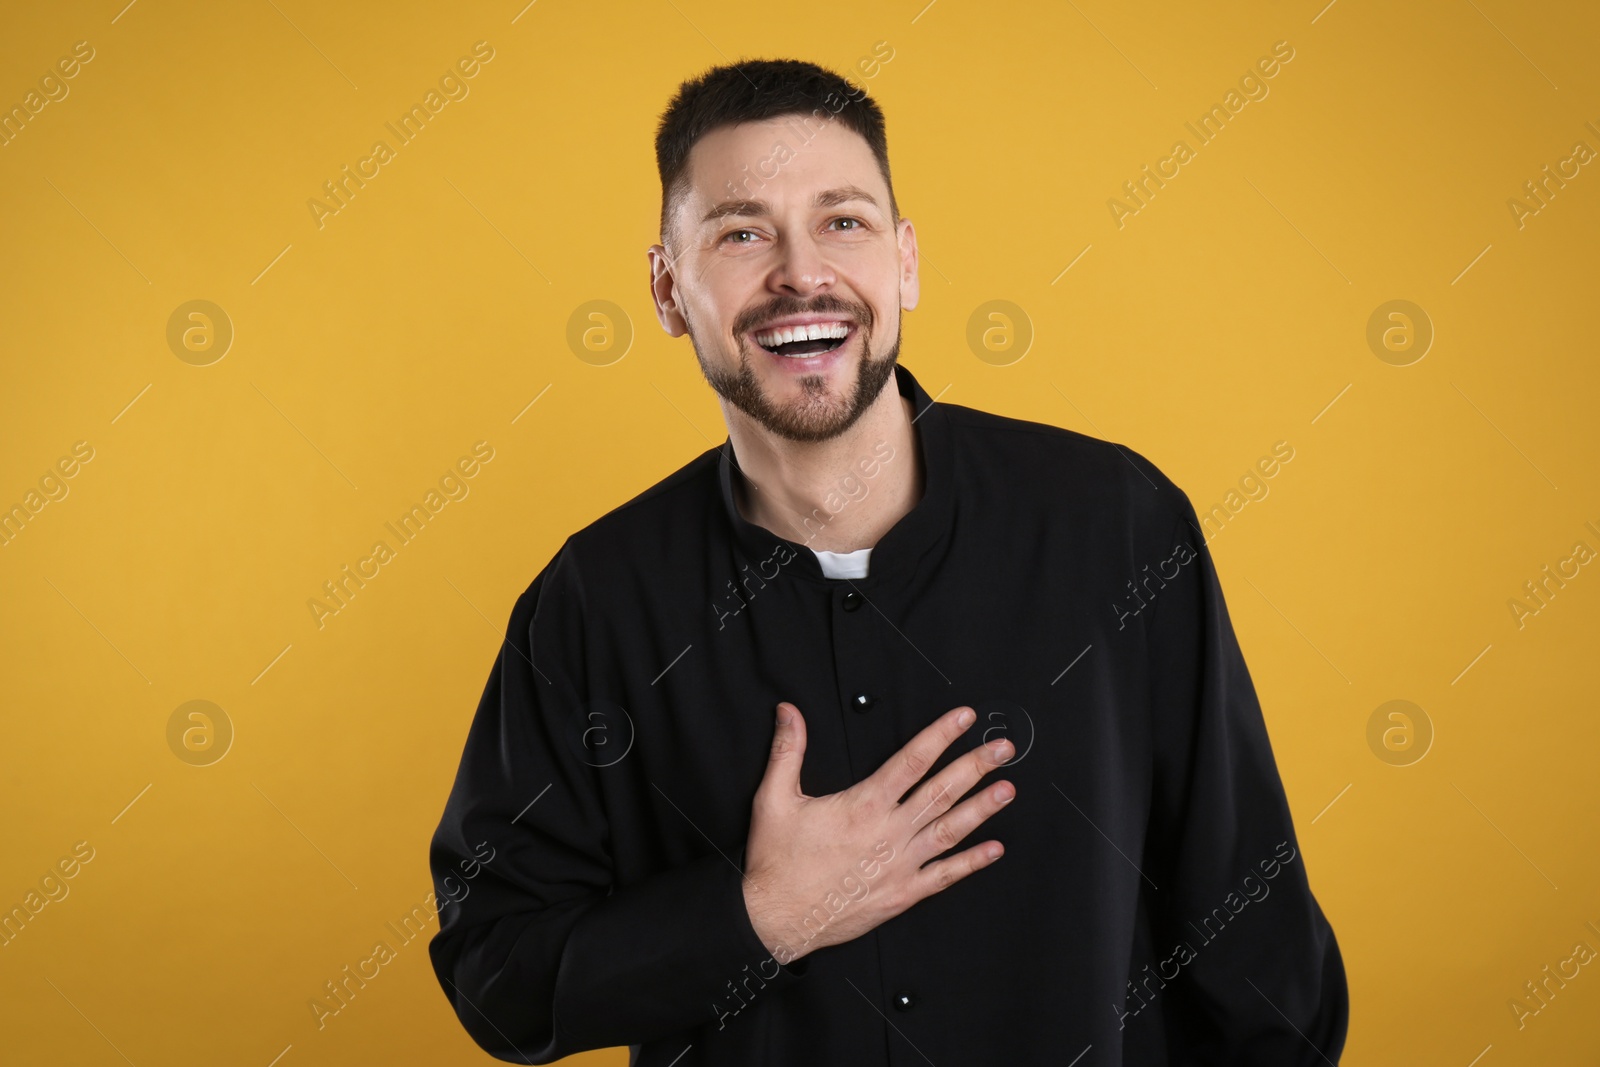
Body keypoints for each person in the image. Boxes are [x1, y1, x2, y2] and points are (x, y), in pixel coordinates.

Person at [428, 57, 1348, 1066]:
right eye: (740, 232)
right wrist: (758, 915)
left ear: (905, 261)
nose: (799, 274)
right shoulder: (592, 603)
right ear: (666, 290)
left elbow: (1256, 944)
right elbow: (498, 975)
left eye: (843, 221)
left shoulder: (1116, 525)